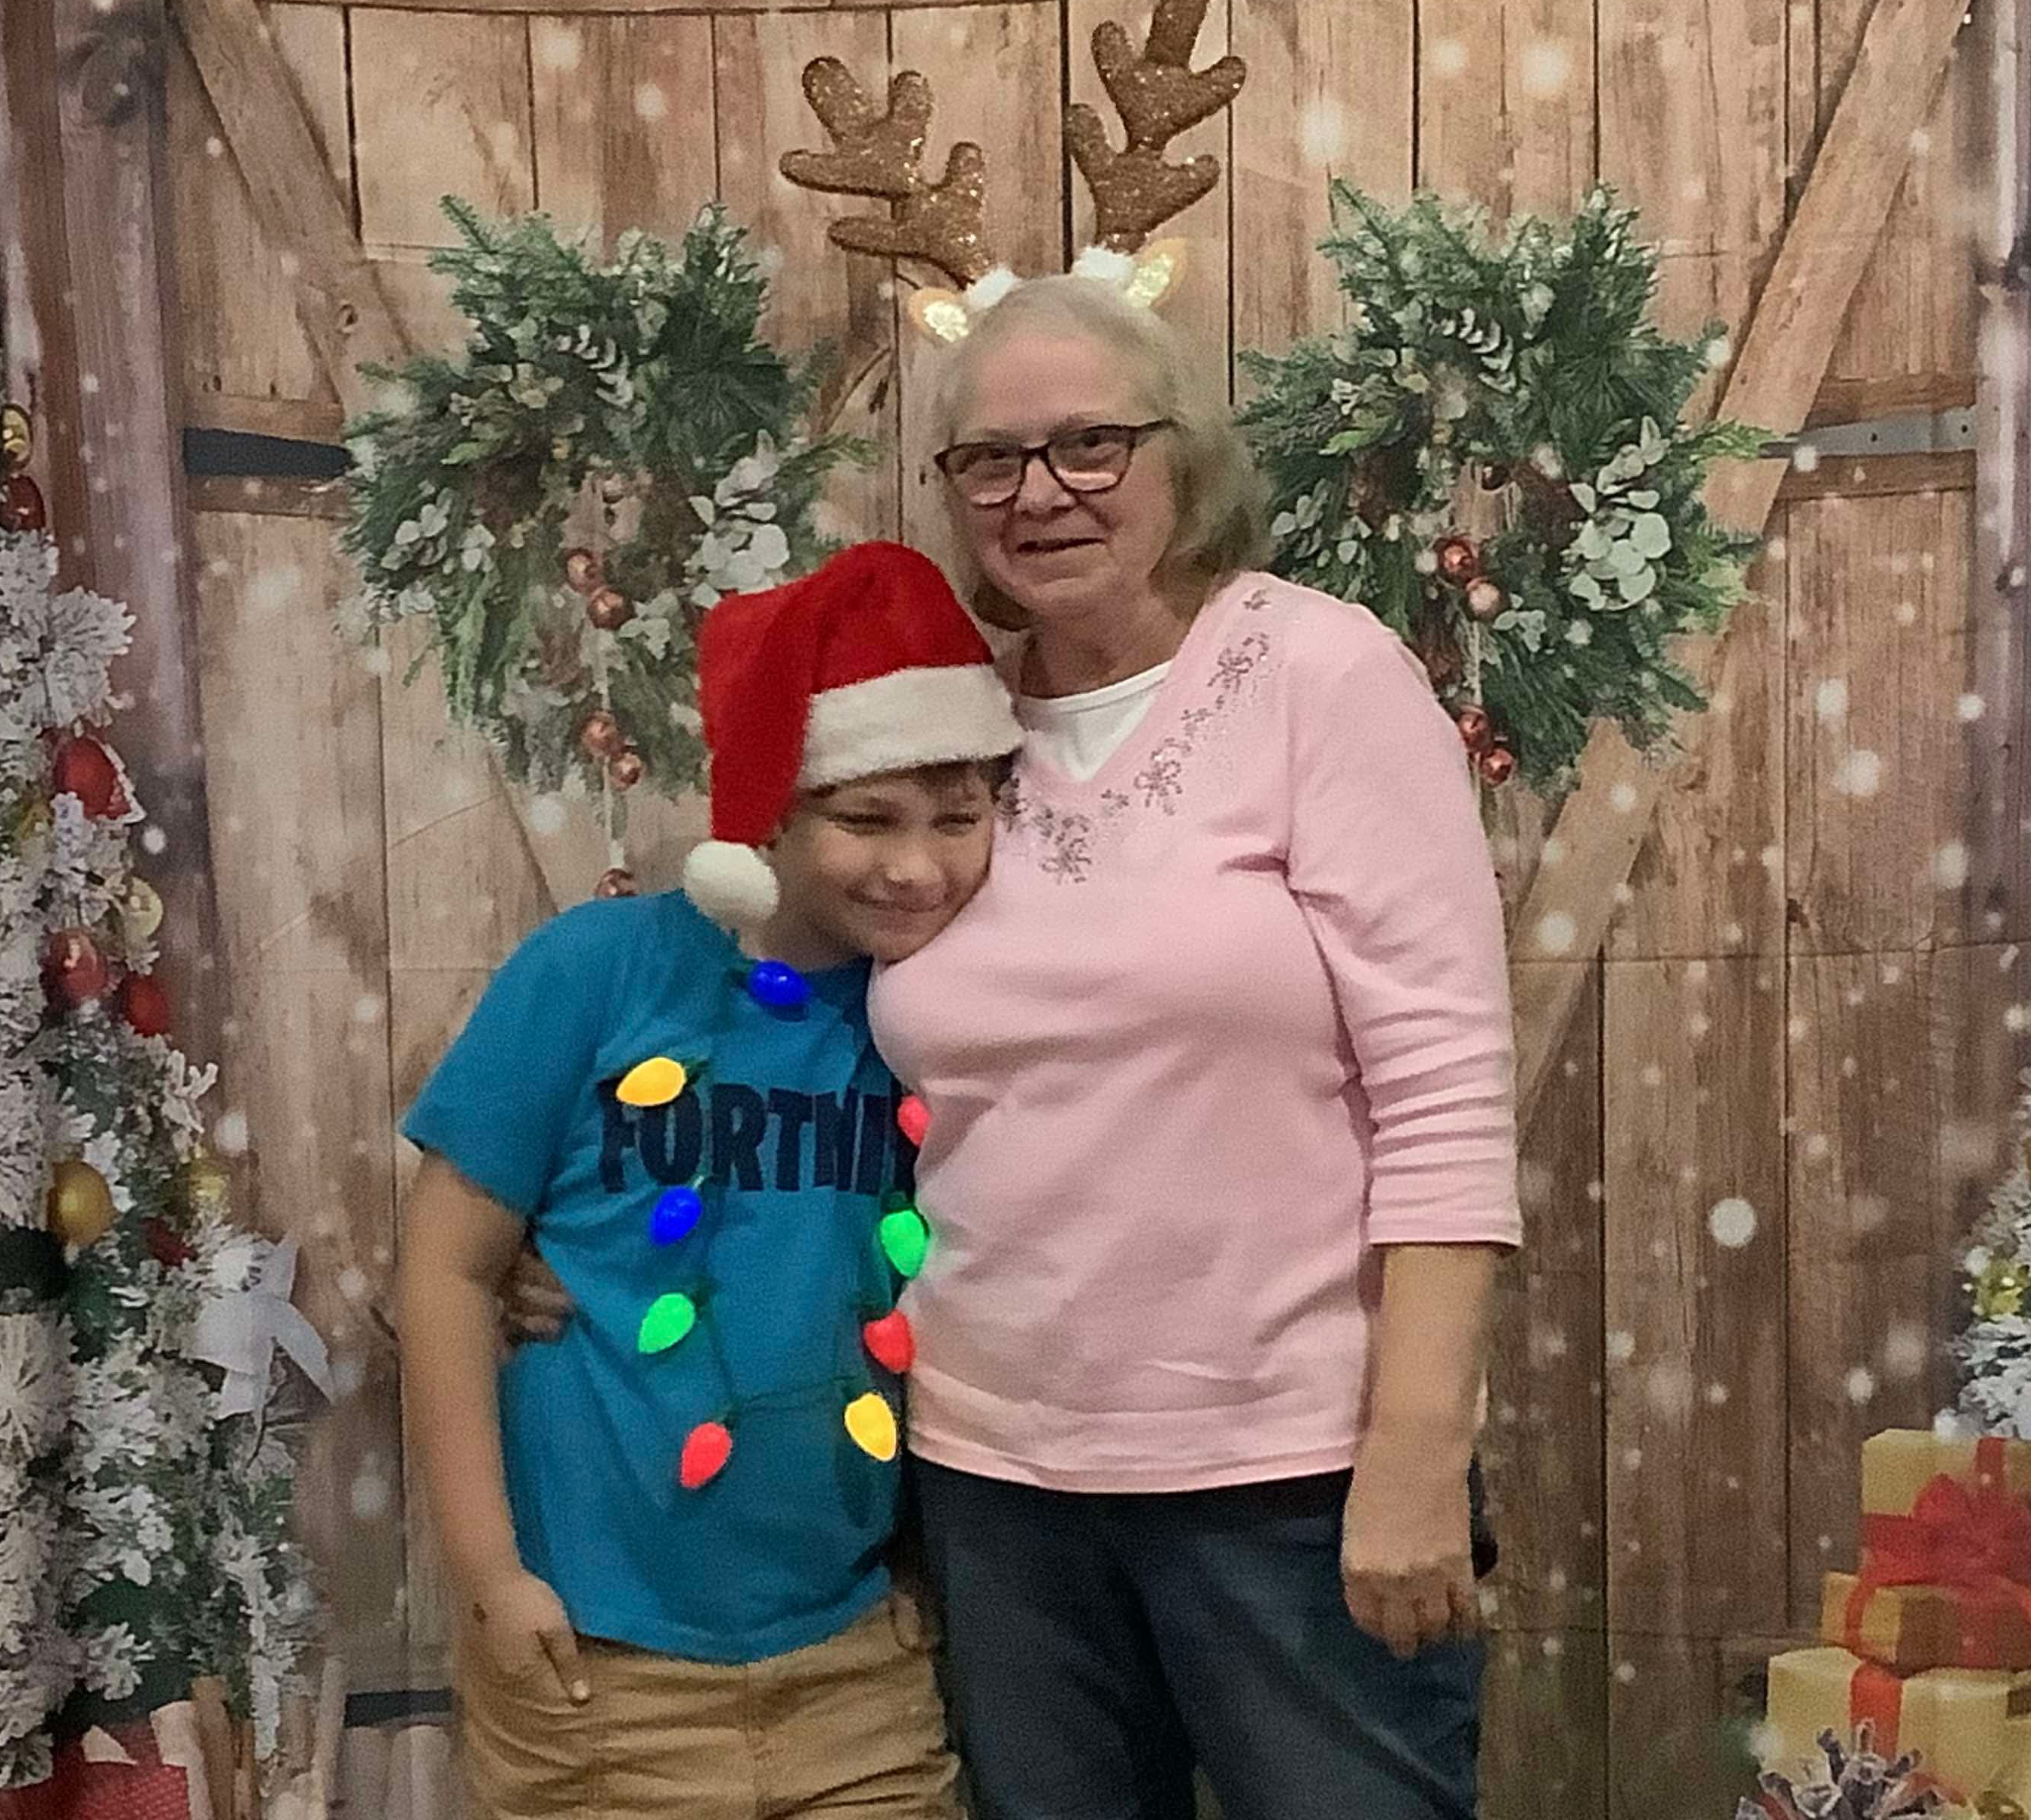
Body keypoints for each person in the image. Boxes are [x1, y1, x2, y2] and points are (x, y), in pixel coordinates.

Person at [863, 269, 1521, 1820]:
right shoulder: (942, 739)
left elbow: (1442, 1089)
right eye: (991, 460)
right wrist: (582, 1229)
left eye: (1090, 443)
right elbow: (811, 1027)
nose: (1041, 493)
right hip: (992, 1486)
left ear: (1185, 459)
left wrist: (1415, 1453)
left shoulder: (1318, 673)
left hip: (1289, 1482)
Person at [397, 542, 1022, 1820]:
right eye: (868, 820)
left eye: (959, 819)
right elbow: (446, 1269)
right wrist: (490, 1576)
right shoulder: (597, 970)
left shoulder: (945, 1017)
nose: (918, 868)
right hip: (598, 1673)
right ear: (771, 811)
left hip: (859, 1664)